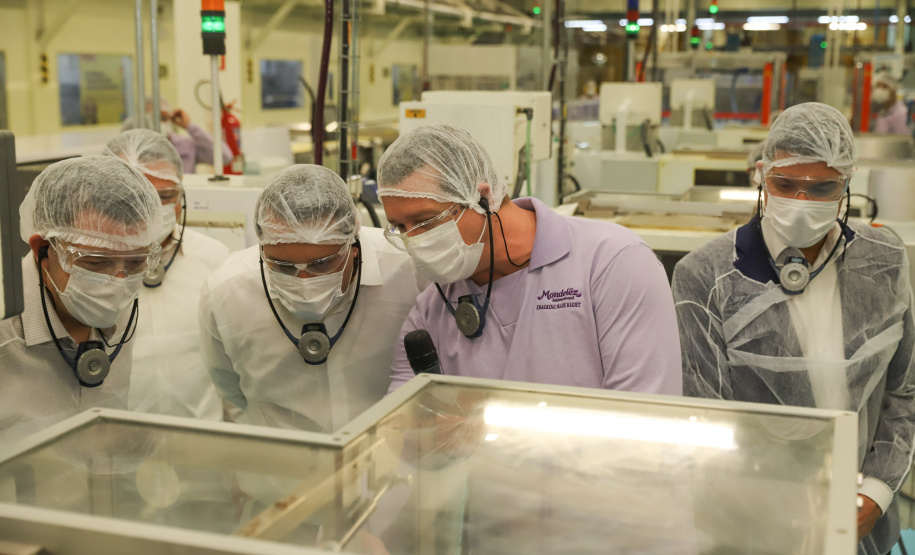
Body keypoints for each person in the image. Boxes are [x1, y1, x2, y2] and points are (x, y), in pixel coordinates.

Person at [672, 102, 915, 555]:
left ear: (846, 185)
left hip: (863, 520)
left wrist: (876, 494)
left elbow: (904, 392)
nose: (801, 203)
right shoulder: (705, 277)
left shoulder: (883, 259)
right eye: (786, 185)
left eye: (821, 187)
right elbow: (706, 422)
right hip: (753, 526)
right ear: (761, 175)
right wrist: (774, 513)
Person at [377, 123, 681, 395]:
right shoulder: (430, 309)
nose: (415, 240)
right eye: (401, 228)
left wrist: (484, 434)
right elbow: (404, 426)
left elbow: (646, 414)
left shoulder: (611, 262)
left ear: (483, 198)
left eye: (428, 221)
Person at [198, 164, 423, 433]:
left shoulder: (408, 270)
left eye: (322, 264)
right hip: (283, 467)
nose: (304, 281)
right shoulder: (227, 293)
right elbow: (229, 389)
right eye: (282, 266)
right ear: (262, 247)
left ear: (353, 244)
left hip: (389, 455)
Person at [0, 156, 161, 444]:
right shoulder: (5, 329)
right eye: (96, 263)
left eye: (136, 261)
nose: (117, 284)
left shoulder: (123, 313)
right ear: (42, 250)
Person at [104, 129, 230, 420]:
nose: (154, 207)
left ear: (181, 196)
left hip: (201, 446)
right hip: (120, 446)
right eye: (139, 196)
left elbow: (235, 367)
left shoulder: (214, 259)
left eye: (166, 195)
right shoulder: (85, 266)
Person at [123, 97, 233, 174]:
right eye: (153, 118)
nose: (159, 122)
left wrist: (189, 127)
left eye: (164, 117)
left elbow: (226, 157)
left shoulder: (187, 145)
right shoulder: (136, 149)